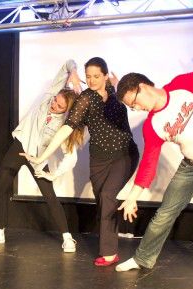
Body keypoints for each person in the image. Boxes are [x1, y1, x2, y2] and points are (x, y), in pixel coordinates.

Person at [114, 14, 193, 289]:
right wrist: (132, 197)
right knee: (164, 214)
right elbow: (148, 164)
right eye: (131, 108)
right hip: (191, 167)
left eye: (133, 103)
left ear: (143, 87)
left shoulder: (183, 87)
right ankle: (142, 258)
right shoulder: (152, 126)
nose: (136, 110)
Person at [21, 57, 139, 266]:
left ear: (105, 75)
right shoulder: (85, 98)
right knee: (104, 201)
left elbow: (134, 103)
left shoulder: (114, 92)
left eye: (96, 76)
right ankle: (111, 247)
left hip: (125, 153)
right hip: (99, 160)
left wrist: (121, 89)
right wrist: (42, 157)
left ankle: (109, 252)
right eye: (88, 76)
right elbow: (67, 128)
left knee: (107, 194)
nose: (91, 80)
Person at [0, 59, 84, 253]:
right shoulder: (48, 99)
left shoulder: (65, 126)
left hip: (37, 157)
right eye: (55, 101)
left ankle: (67, 238)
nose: (54, 105)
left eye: (59, 106)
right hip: (19, 148)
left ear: (67, 110)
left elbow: (71, 156)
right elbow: (67, 64)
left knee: (49, 196)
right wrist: (74, 71)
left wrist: (53, 174)